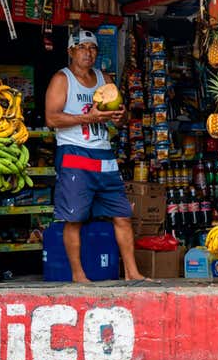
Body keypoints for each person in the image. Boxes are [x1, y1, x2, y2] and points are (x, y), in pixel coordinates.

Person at [45, 29, 151, 284]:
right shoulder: (63, 79)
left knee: (122, 215)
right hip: (75, 155)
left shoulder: (105, 79)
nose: (88, 53)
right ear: (71, 51)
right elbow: (51, 118)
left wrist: (120, 115)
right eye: (82, 47)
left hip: (104, 155)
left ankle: (132, 273)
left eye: (92, 48)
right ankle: (79, 275)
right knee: (75, 218)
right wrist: (88, 117)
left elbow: (121, 120)